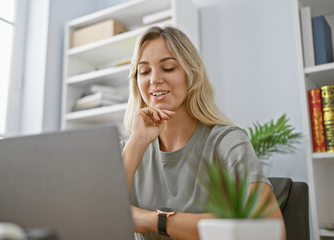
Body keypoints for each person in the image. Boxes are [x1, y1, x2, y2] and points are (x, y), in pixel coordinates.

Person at [120, 26, 285, 240]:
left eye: (168, 68)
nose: (154, 79)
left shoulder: (227, 142)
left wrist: (155, 220)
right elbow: (98, 220)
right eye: (144, 71)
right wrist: (138, 140)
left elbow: (269, 229)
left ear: (192, 75)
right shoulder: (130, 148)